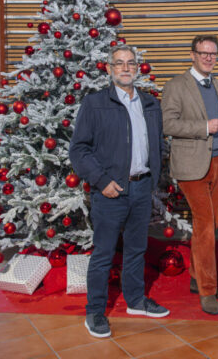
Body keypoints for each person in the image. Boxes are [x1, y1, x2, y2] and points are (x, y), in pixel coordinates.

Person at [69, 45, 169, 339]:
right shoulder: (95, 103)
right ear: (109, 69)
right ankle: (95, 311)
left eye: (130, 63)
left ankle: (135, 301)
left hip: (142, 187)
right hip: (110, 191)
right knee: (103, 253)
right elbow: (79, 149)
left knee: (137, 249)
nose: (125, 68)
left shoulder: (150, 103)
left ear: (137, 68)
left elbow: (157, 144)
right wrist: (101, 181)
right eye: (119, 63)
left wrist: (152, 179)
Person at [161, 35, 218, 315]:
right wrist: (203, 127)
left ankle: (195, 276)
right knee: (204, 225)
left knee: (212, 223)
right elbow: (167, 123)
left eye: (213, 53)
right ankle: (207, 289)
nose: (208, 58)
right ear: (192, 55)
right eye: (203, 53)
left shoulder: (216, 83)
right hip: (192, 166)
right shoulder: (176, 85)